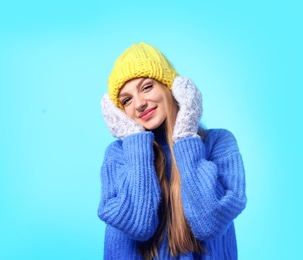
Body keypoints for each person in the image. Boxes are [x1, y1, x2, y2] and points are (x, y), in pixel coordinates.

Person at [97, 42, 247, 260]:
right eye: (126, 100)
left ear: (171, 88)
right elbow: (138, 225)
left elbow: (209, 223)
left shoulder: (218, 143)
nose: (139, 104)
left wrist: (185, 134)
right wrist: (135, 140)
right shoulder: (118, 155)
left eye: (147, 87)